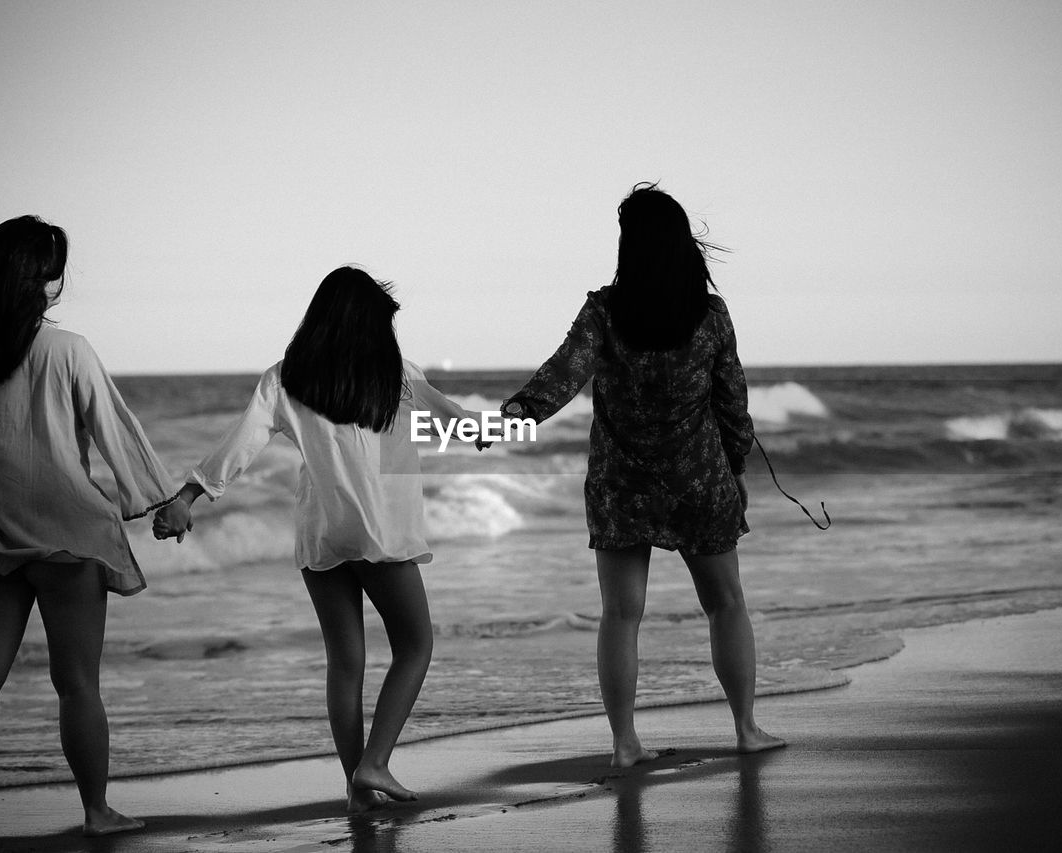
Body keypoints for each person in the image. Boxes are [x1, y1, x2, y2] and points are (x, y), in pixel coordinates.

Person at [152, 266, 480, 811]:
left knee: (344, 662)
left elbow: (238, 446)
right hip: (379, 533)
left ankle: (357, 789)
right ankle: (375, 765)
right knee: (415, 646)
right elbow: (459, 422)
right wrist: (516, 422)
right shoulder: (397, 373)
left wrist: (187, 498)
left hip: (321, 535)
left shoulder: (285, 378)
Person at [499, 183, 786, 767]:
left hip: (621, 486)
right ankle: (746, 729)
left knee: (621, 616)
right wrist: (735, 472)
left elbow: (564, 373)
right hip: (700, 481)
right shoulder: (710, 315)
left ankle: (625, 744)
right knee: (726, 603)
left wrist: (518, 414)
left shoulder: (605, 310)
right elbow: (733, 401)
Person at [0, 216, 176, 852]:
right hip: (68, 540)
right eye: (53, 270)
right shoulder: (67, 351)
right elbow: (116, 432)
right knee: (77, 685)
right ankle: (97, 811)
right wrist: (161, 501)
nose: (57, 283)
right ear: (38, 280)